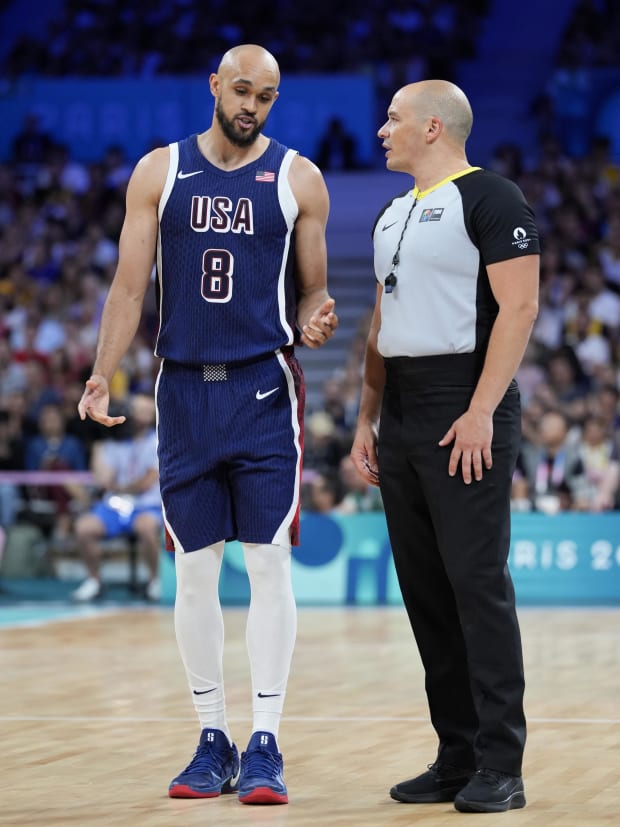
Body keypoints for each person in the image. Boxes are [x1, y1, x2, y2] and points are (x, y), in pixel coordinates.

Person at [77, 44, 337, 805]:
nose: (253, 105)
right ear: (216, 86)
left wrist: (316, 317)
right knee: (192, 570)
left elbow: (315, 290)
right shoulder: (159, 171)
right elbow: (128, 289)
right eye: (243, 90)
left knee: (266, 565)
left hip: (262, 389)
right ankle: (211, 736)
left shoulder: (299, 178)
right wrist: (101, 370)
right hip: (183, 389)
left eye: (268, 96)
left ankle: (265, 741)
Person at [350, 80, 540, 813]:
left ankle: (503, 762)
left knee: (477, 586)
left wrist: (482, 408)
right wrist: (368, 416)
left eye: (393, 118)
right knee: (427, 594)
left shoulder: (491, 196)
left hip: (466, 400)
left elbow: (519, 306)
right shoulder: (393, 212)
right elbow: (380, 321)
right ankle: (457, 754)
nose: (381, 130)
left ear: (433, 127)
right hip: (401, 407)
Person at [71, 393, 163, 602]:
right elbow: (104, 480)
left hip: (146, 506)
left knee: (147, 528)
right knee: (84, 528)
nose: (142, 416)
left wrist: (121, 487)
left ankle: (155, 580)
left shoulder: (158, 439)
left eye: (147, 411)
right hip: (115, 506)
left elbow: (147, 481)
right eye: (138, 411)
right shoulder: (113, 442)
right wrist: (98, 447)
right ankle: (94, 581)